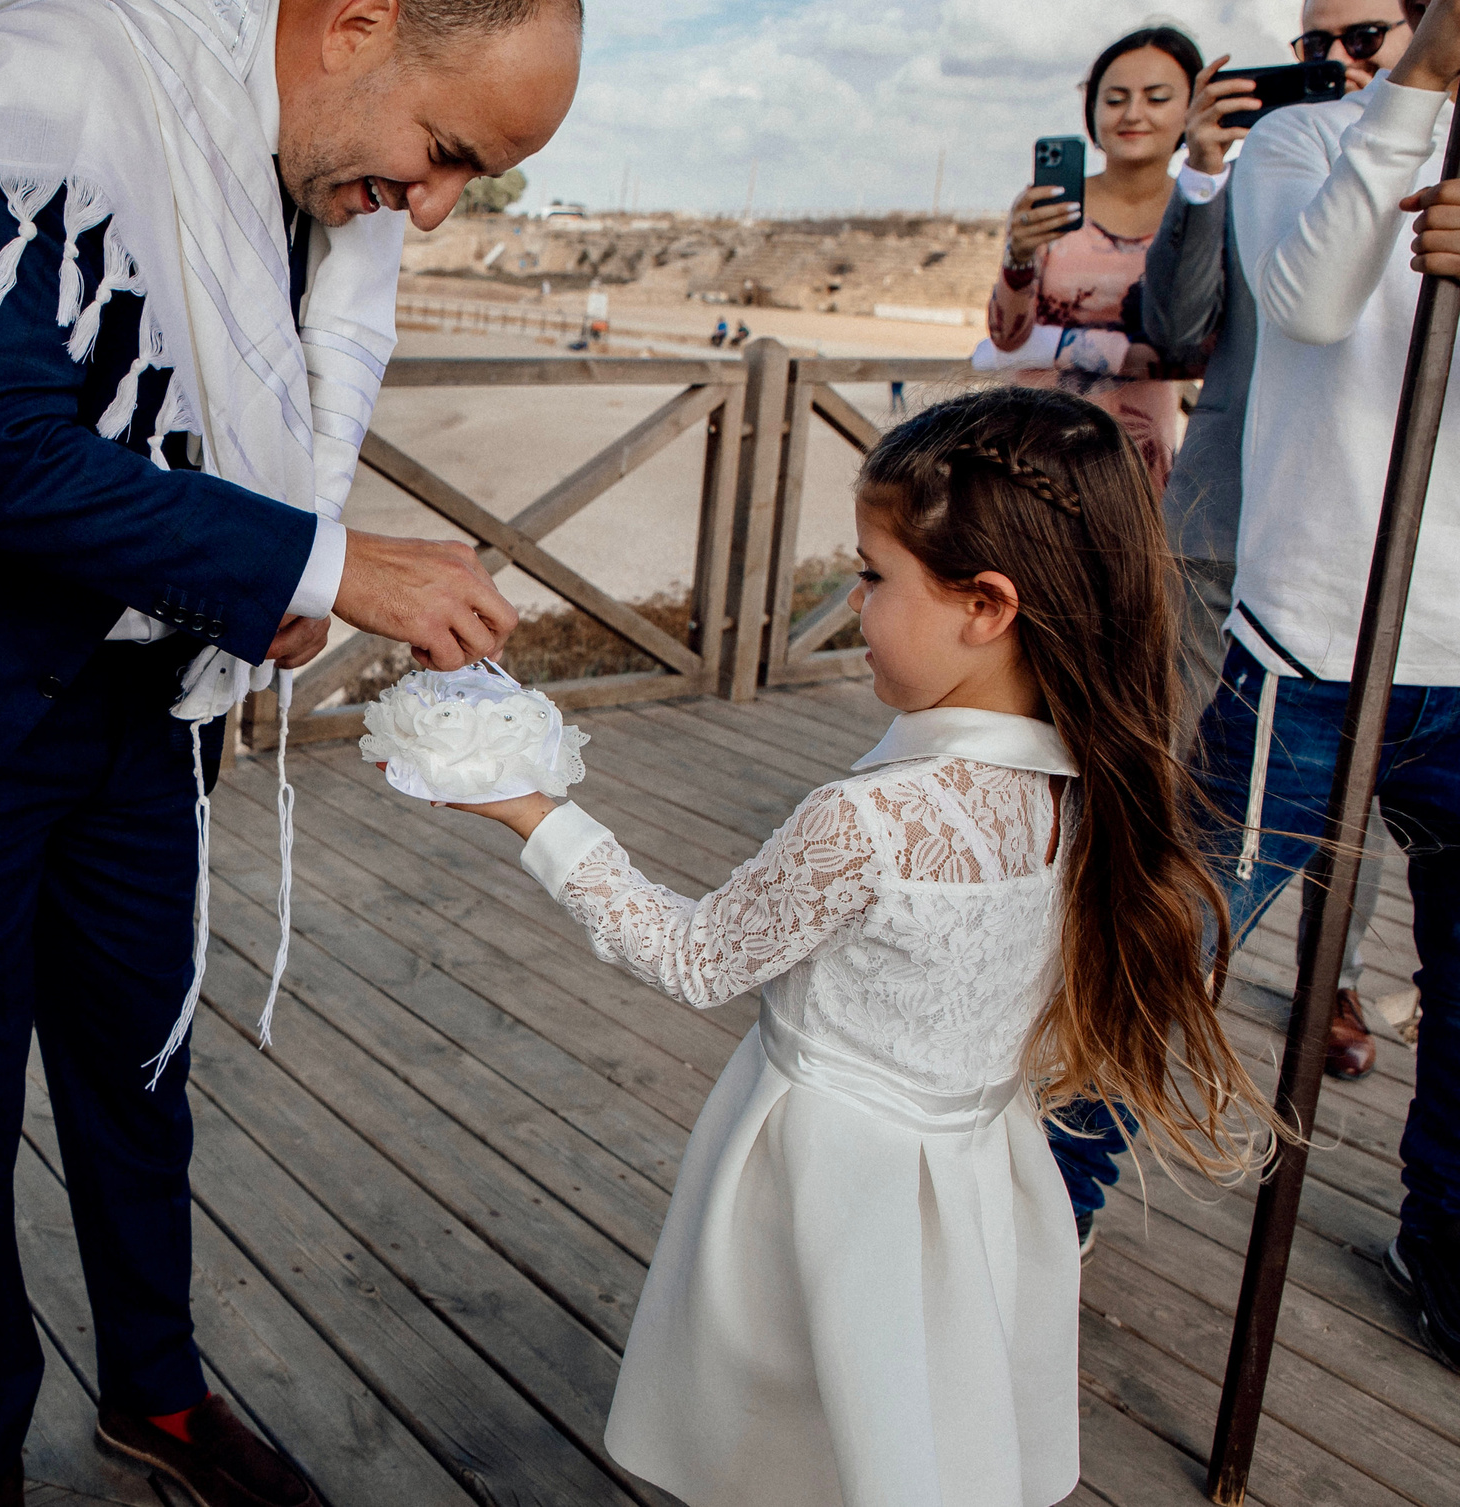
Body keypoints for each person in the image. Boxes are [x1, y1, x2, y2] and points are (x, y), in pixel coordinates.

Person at [0, 0, 576, 1506]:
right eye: (441, 150)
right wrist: (321, 562)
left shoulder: (315, 160)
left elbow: (258, 411)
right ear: (358, 22)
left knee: (142, 1069)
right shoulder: (62, 77)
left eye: (467, 181)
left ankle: (153, 1392)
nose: (427, 211)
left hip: (150, 701)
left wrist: (270, 579)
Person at [449, 386, 1270, 1507]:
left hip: (827, 1183)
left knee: (791, 1425)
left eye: (874, 575)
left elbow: (695, 960)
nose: (851, 598)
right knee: (904, 1424)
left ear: (985, 605)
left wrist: (535, 816)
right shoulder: (1095, 790)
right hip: (971, 1178)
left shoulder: (874, 820)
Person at [1200, 0, 1460, 1369]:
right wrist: (1417, 79)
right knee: (1157, 955)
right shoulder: (1315, 140)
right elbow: (1307, 299)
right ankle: (1039, 1208)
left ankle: (1448, 1253)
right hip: (1316, 648)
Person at [1147, 0, 1410, 1083]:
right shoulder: (1275, 166)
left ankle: (1327, 985)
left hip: (1388, 544)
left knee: (1361, 806)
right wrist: (1202, 174)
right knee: (1198, 787)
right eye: (1313, 47)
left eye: (1363, 40)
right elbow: (1172, 322)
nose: (1336, 64)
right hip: (1229, 529)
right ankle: (1147, 1010)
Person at [991, 26, 1201, 493]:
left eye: (1157, 98)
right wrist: (1018, 256)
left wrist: (1061, 345)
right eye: (1115, 99)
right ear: (1092, 109)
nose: (1132, 114)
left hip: (1136, 453)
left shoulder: (1202, 212)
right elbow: (1006, 338)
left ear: (1192, 108)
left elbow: (1202, 351)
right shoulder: (1053, 203)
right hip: (1031, 441)